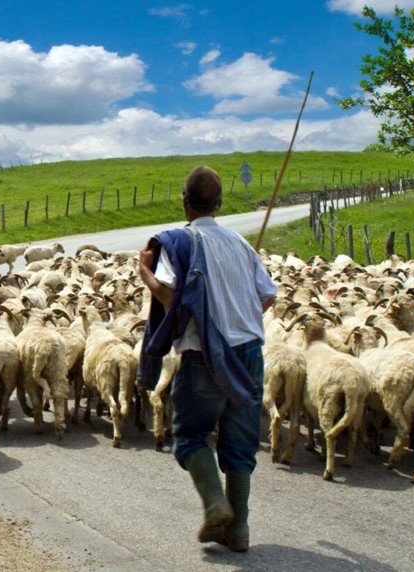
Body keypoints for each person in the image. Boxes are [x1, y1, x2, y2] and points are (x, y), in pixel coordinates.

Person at [137, 165, 277, 552]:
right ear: (218, 204)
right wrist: (239, 318)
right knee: (241, 443)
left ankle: (216, 506)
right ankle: (240, 529)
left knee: (191, 436)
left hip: (204, 354)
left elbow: (167, 294)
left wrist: (145, 268)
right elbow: (268, 295)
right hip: (249, 352)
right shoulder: (241, 244)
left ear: (185, 204)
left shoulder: (182, 244)